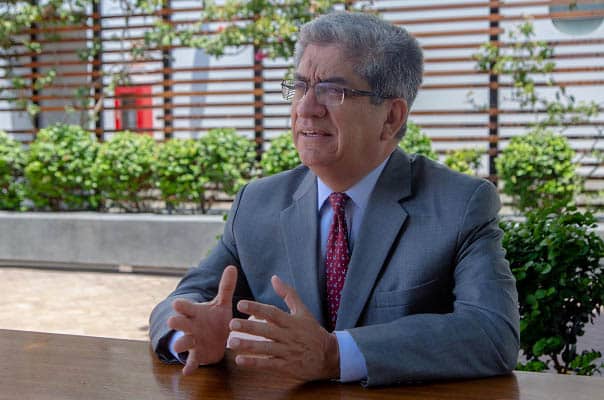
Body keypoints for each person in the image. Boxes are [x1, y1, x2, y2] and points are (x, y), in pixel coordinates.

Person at [149, 11, 519, 387]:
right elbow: (190, 298)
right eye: (300, 87)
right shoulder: (258, 203)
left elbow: (492, 333)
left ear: (391, 117)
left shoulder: (459, 204)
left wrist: (334, 354)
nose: (306, 108)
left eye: (332, 91)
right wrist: (189, 333)